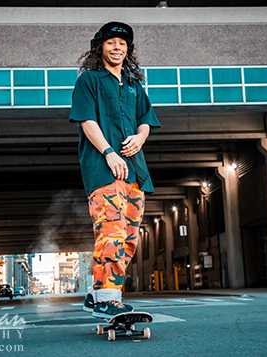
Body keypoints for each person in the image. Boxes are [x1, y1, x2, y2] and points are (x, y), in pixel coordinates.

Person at [69, 21, 160, 319]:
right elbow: (86, 120)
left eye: (122, 43)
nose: (117, 47)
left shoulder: (134, 86)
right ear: (101, 47)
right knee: (111, 232)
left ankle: (96, 295)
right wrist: (108, 152)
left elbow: (145, 118)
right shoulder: (89, 81)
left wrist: (141, 136)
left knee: (130, 237)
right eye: (111, 42)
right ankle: (109, 299)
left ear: (128, 50)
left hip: (135, 172)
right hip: (104, 169)